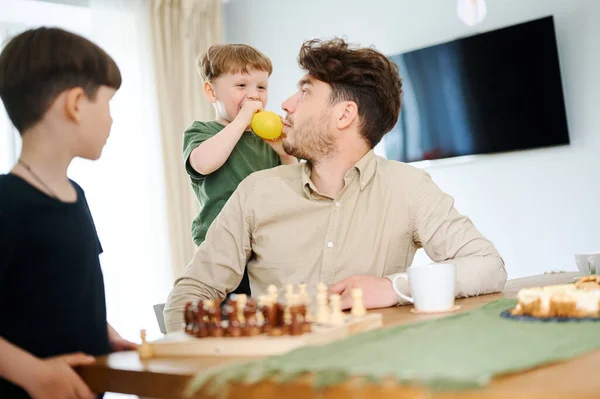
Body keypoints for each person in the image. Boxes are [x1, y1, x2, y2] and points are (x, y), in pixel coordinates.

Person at [164, 38, 507, 332]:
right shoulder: (256, 191)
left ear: (344, 115)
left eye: (305, 92)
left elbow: (487, 264)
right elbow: (192, 290)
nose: (284, 104)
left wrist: (395, 288)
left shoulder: (410, 188)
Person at [0, 27, 136, 399]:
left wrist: (106, 335)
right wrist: (33, 374)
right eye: (107, 106)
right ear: (76, 104)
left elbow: (75, 290)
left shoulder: (76, 195)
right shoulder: (6, 201)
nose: (111, 121)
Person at [183, 43, 297, 296]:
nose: (253, 95)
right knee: (233, 313)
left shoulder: (267, 138)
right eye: (241, 86)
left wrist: (285, 154)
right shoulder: (203, 132)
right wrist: (243, 119)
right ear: (212, 93)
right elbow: (203, 163)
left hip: (266, 245)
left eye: (261, 87)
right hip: (221, 246)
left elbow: (293, 185)